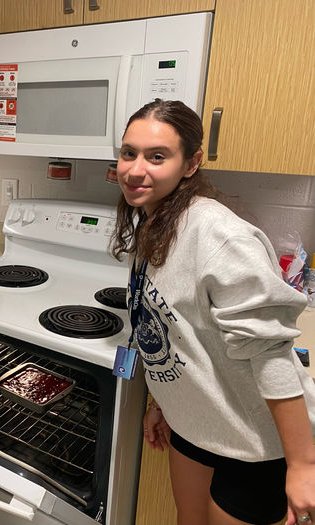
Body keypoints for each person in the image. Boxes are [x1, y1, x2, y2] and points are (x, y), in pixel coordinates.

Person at [111, 99, 315, 525]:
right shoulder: (154, 221)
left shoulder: (218, 236)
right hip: (196, 420)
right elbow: (170, 328)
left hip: (256, 438)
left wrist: (302, 466)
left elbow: (270, 353)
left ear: (191, 163)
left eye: (157, 156)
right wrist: (162, 401)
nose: (134, 169)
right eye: (129, 153)